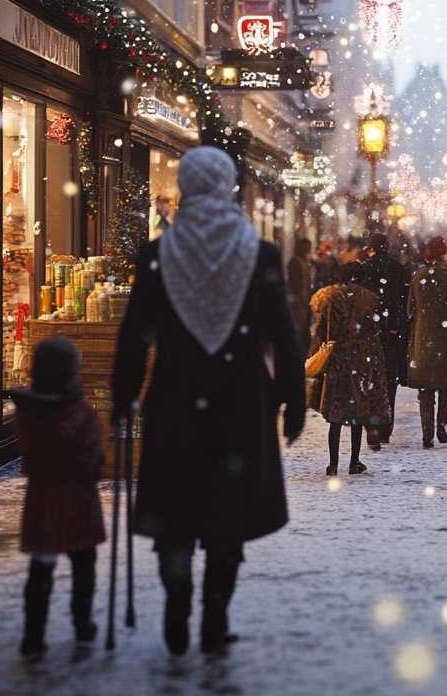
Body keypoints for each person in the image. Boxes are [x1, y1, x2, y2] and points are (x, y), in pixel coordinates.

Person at [112, 146, 305, 656]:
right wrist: (293, 398)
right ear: (226, 186)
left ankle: (178, 608)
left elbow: (136, 335)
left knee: (176, 516)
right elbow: (284, 336)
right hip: (240, 401)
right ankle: (215, 617)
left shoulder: (157, 255)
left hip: (176, 399)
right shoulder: (259, 253)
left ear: (187, 187)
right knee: (228, 516)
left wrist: (123, 396)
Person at [14, 337, 106, 658]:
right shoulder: (80, 413)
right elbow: (93, 459)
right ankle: (82, 624)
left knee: (41, 567)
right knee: (84, 565)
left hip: (42, 495)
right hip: (78, 498)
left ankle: (33, 634)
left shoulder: (28, 411)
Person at [309, 260, 391, 472]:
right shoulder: (368, 299)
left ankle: (333, 463)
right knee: (357, 412)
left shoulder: (328, 298)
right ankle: (354, 461)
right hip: (359, 359)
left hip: (336, 358)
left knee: (336, 414)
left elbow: (320, 330)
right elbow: (373, 331)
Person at [405, 235, 447, 448]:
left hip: (424, 337)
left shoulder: (418, 277)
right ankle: (441, 424)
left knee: (425, 389)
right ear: (445, 255)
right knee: (446, 384)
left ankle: (427, 434)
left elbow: (410, 310)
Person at [360, 232, 410, 443]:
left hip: (370, 330)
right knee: (390, 379)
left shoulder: (364, 268)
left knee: (370, 378)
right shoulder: (398, 268)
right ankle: (386, 425)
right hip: (392, 331)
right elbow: (404, 300)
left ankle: (371, 425)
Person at [287, 238, 314, 355]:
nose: (308, 249)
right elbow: (294, 282)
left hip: (304, 299)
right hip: (299, 300)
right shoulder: (295, 261)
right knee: (300, 327)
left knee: (304, 327)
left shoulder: (304, 260)